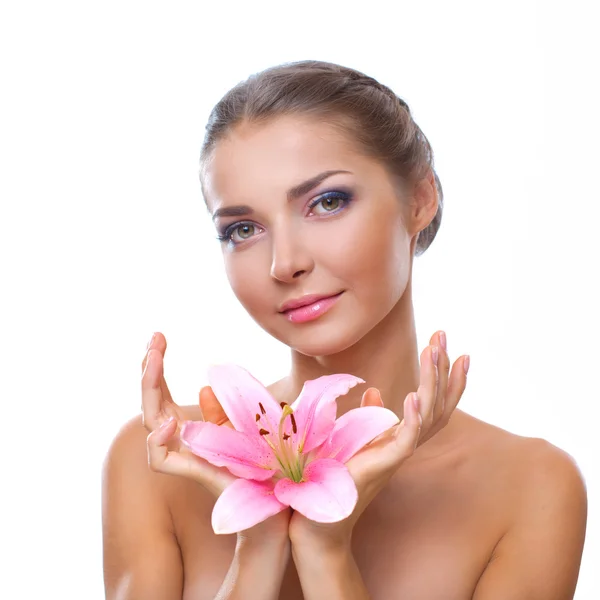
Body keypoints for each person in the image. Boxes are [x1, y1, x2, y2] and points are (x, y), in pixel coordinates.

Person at [101, 60, 587, 599]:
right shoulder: (162, 462)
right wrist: (258, 540)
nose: (284, 263)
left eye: (327, 202)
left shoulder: (530, 488)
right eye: (243, 229)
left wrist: (324, 550)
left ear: (421, 199)